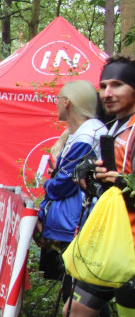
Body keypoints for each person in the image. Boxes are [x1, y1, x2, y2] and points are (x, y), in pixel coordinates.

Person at [65, 56, 135, 317]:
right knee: (76, 316)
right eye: (104, 85)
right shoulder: (116, 127)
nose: (107, 92)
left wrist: (123, 182)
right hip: (108, 246)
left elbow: (125, 180)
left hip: (132, 250)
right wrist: (91, 174)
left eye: (117, 84)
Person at [36, 80, 105, 248]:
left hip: (77, 226)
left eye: (57, 99)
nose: (56, 103)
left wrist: (49, 183)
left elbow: (62, 185)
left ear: (66, 102)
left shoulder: (86, 138)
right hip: (73, 222)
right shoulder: (81, 134)